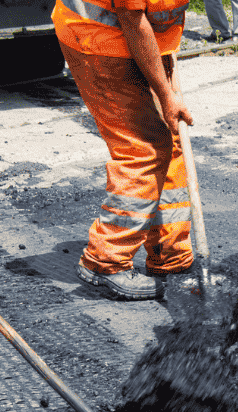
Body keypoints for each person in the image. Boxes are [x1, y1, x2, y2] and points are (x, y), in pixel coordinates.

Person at [52, 0, 194, 300]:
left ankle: (168, 254)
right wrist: (167, 94)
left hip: (144, 40)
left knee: (171, 139)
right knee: (143, 149)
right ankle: (105, 262)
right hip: (99, 42)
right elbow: (133, 21)